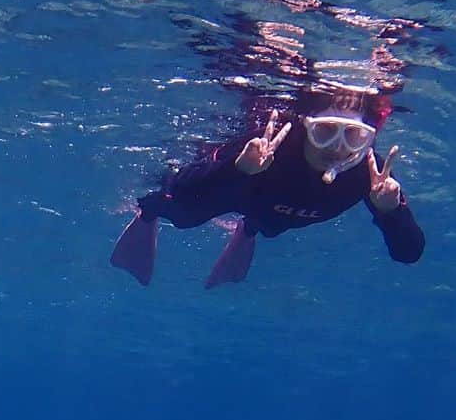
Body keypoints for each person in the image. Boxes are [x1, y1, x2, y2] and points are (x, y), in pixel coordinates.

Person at [110, 85, 424, 289]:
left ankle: (248, 230)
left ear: (369, 138)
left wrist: (391, 213)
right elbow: (183, 187)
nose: (337, 148)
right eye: (325, 132)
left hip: (276, 211)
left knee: (271, 225)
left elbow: (408, 253)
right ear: (306, 126)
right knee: (182, 214)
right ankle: (148, 214)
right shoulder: (266, 145)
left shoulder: (372, 174)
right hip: (240, 188)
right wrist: (239, 169)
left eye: (354, 137)